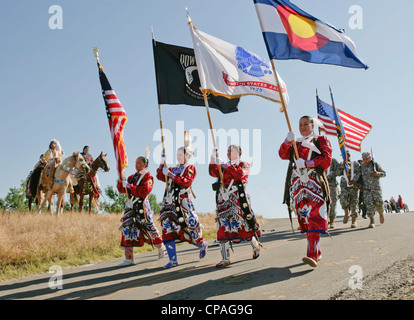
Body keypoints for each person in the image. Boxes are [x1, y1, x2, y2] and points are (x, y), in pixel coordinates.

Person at [279, 116, 332, 268]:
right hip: (298, 186)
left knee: (315, 216)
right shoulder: (296, 144)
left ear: (312, 125)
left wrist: (309, 163)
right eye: (300, 124)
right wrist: (287, 141)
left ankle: (312, 255)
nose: (302, 127)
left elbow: (327, 159)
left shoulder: (320, 140)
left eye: (305, 124)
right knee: (306, 218)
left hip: (315, 184)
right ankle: (317, 251)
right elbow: (283, 155)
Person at [156, 136, 208, 269]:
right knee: (166, 228)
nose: (179, 157)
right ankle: (173, 260)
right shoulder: (172, 169)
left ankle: (202, 244)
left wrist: (171, 175)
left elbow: (186, 181)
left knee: (187, 228)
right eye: (177, 154)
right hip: (169, 202)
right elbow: (161, 176)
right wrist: (162, 163)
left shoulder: (190, 168)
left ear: (187, 156)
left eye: (181, 154)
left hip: (183, 202)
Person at [209, 144, 261, 268]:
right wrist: (212, 158)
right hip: (224, 198)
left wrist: (225, 165)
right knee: (222, 226)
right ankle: (225, 258)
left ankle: (255, 245)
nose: (229, 153)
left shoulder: (244, 164)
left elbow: (239, 175)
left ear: (239, 152)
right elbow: (212, 172)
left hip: (238, 197)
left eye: (232, 151)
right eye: (228, 151)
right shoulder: (222, 166)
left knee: (244, 225)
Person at [117, 155, 164, 267]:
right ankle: (129, 258)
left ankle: (160, 245)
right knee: (127, 228)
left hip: (142, 206)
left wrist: (129, 186)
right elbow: (122, 190)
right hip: (131, 206)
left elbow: (144, 191)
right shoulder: (131, 177)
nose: (136, 165)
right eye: (135, 162)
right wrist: (121, 181)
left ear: (144, 164)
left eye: (139, 163)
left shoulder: (148, 176)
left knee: (149, 227)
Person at [360, 152, 386, 228]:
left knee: (379, 203)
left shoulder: (375, 164)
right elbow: (360, 177)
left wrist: (378, 174)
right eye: (363, 159)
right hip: (366, 189)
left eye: (366, 159)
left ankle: (381, 213)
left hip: (376, 188)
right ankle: (372, 221)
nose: (365, 161)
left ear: (370, 158)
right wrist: (360, 186)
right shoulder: (362, 166)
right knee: (368, 204)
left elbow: (384, 173)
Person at [339, 150, 361, 228]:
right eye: (343, 155)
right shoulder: (341, 164)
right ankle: (346, 212)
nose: (344, 157)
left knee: (354, 202)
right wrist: (343, 165)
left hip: (354, 185)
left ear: (349, 155)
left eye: (346, 155)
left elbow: (359, 173)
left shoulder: (355, 164)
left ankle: (354, 220)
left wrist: (354, 180)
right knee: (343, 198)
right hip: (344, 185)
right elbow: (338, 173)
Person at [326, 158, 341, 228]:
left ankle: (332, 220)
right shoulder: (319, 159)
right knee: (322, 203)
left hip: (332, 185)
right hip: (321, 185)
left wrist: (328, 176)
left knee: (333, 202)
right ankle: (324, 221)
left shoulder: (333, 161)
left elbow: (337, 171)